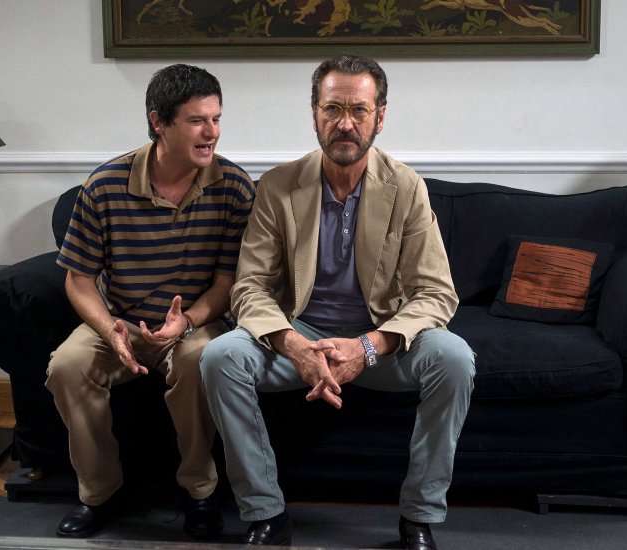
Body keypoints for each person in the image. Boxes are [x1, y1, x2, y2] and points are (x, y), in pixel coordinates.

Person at [200, 54, 475, 549]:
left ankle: (419, 516)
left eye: (359, 110)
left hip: (380, 338)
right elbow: (249, 287)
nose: (345, 123)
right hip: (298, 334)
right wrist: (294, 346)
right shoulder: (278, 186)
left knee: (454, 357)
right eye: (332, 109)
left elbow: (436, 293)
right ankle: (265, 513)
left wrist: (367, 347)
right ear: (314, 115)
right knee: (220, 357)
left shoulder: (406, 187)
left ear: (380, 117)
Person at [46, 64, 256, 539]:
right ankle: (98, 493)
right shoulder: (105, 185)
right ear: (158, 122)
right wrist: (108, 328)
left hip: (196, 323)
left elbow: (228, 280)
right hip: (121, 320)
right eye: (197, 121)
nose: (212, 133)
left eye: (216, 119)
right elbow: (79, 280)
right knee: (67, 366)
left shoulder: (233, 187)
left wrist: (188, 321)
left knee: (202, 360)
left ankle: (200, 493)